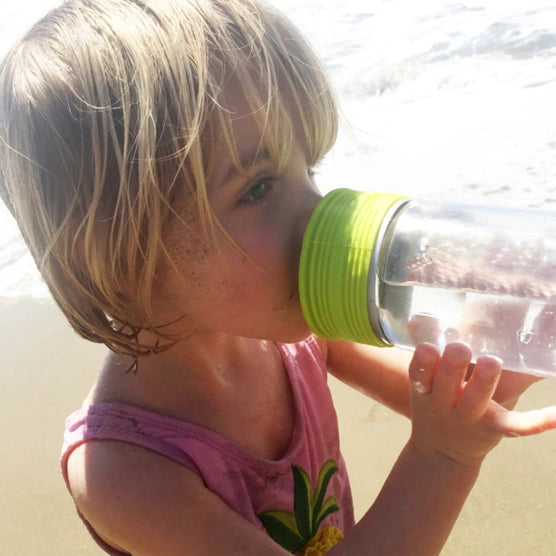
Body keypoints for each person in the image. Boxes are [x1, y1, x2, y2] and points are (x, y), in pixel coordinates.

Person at [1, 1, 555, 554]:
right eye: (258, 188)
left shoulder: (294, 330)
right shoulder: (124, 471)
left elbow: (453, 401)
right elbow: (446, 439)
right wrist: (442, 458)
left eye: (307, 169)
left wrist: (518, 324)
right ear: (123, 257)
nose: (317, 214)